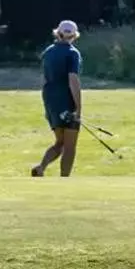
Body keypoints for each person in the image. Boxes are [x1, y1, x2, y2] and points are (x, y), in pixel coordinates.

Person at [32, 20, 84, 177]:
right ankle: (64, 179)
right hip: (66, 101)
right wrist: (79, 108)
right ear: (74, 36)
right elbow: (73, 80)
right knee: (69, 146)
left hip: (50, 100)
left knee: (60, 142)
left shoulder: (48, 52)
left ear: (58, 33)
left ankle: (41, 167)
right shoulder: (72, 53)